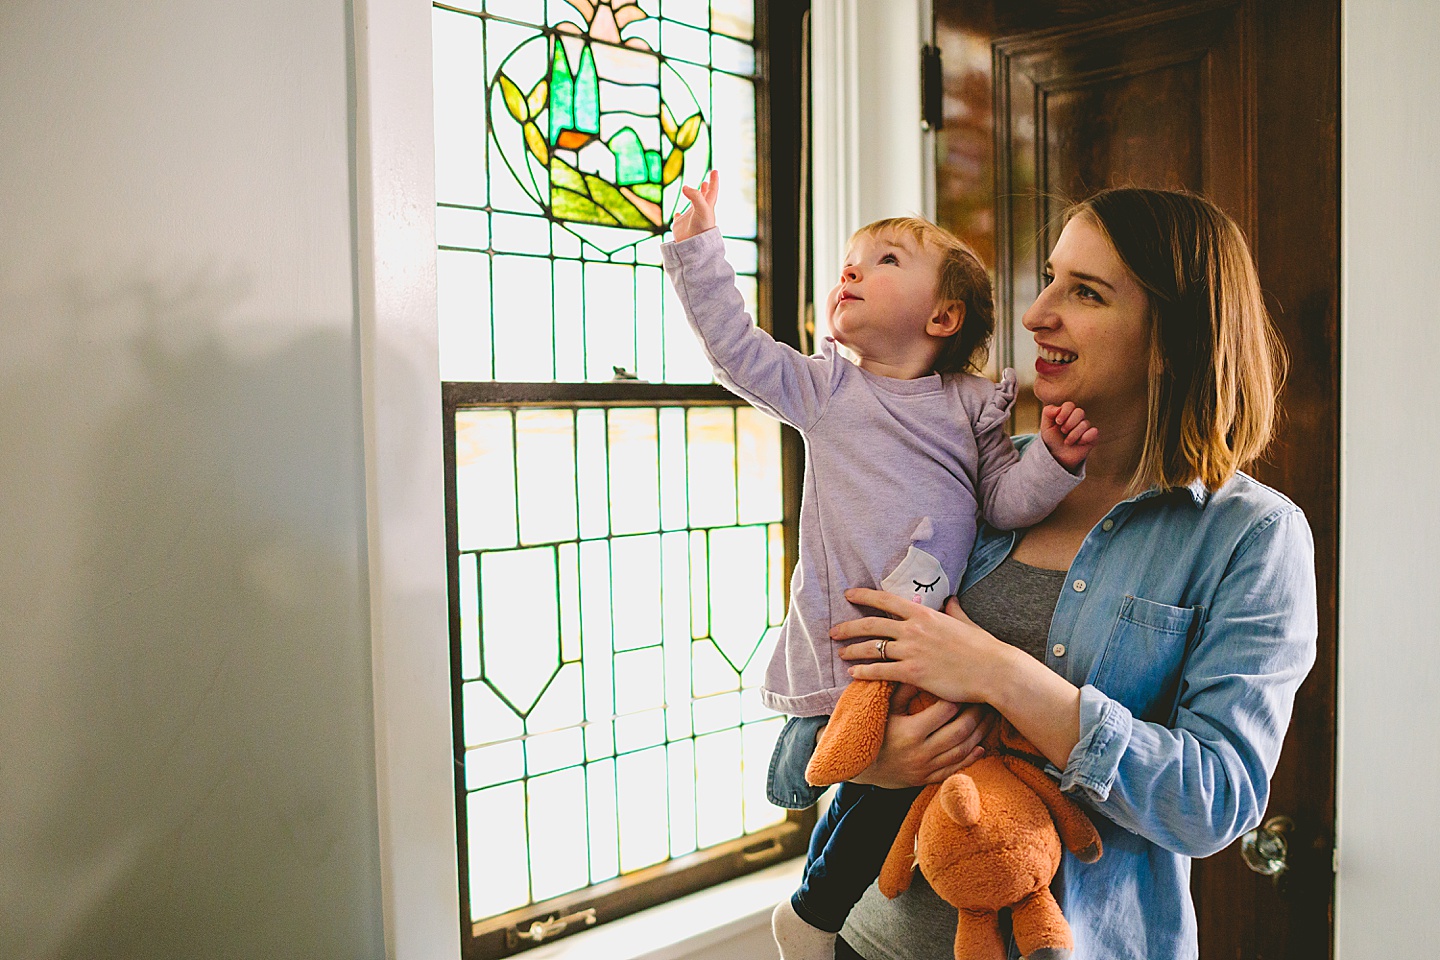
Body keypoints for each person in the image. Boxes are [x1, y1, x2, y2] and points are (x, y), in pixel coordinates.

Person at [806, 188, 1317, 960]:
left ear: (1173, 335)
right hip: (869, 938)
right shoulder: (971, 473)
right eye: (1051, 278)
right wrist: (879, 763)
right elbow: (815, 702)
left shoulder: (1250, 536)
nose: (1037, 313)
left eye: (1085, 292)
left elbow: (1216, 804)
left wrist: (1001, 675)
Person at [661, 171, 1098, 960]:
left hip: (925, 653)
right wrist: (700, 252)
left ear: (943, 315)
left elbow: (1004, 499)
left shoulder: (971, 405)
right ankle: (806, 818)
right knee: (814, 766)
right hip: (845, 648)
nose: (850, 271)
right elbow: (733, 348)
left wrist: (1058, 462)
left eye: (884, 259)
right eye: (848, 263)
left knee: (913, 778)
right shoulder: (827, 389)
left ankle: (819, 905)